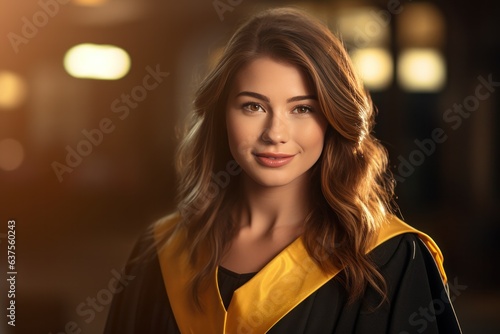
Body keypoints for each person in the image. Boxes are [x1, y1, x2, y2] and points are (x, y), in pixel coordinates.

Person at [104, 7, 461, 333]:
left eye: (301, 109)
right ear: (221, 115)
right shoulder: (160, 251)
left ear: (332, 120)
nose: (275, 133)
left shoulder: (390, 260)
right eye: (253, 106)